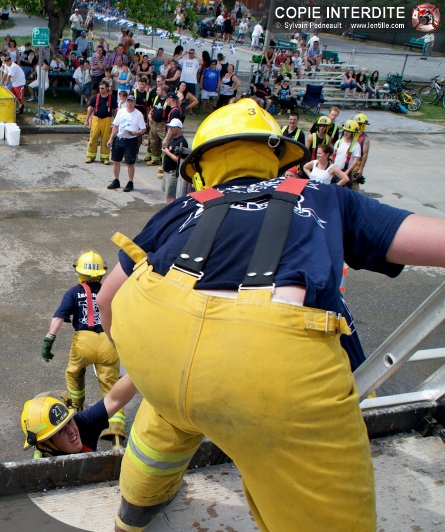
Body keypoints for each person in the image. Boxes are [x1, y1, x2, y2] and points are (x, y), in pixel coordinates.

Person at [96, 97, 445, 531]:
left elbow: (108, 297)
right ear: (277, 157)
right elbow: (430, 240)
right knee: (320, 504)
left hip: (156, 347)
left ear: (201, 166)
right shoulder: (324, 197)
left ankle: (133, 514)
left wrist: (141, 357)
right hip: (270, 368)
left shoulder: (185, 206)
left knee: (167, 413)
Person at [41, 250, 125, 429]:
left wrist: (49, 341)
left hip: (83, 343)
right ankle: (116, 430)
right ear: (102, 273)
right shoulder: (111, 292)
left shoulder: (73, 293)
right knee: (110, 385)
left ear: (79, 272)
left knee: (74, 373)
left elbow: (58, 318)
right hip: (108, 342)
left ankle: (76, 409)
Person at [21, 374, 136, 458]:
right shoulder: (45, 471)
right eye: (61, 431)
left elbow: (114, 399)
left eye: (69, 422)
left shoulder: (82, 423)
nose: (72, 431)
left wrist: (141, 370)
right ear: (48, 444)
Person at [107, 94, 147, 192]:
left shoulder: (138, 114)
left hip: (131, 140)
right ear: (126, 102)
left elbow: (143, 129)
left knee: (130, 163)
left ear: (134, 103)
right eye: (128, 101)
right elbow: (115, 126)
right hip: (119, 138)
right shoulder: (121, 112)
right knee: (116, 161)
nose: (129, 103)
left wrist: (136, 133)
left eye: (131, 101)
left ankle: (130, 182)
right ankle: (116, 180)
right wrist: (111, 139)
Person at [85, 80, 117, 165]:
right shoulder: (95, 97)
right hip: (96, 119)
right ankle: (90, 156)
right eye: (100, 88)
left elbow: (115, 110)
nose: (100, 89)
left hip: (107, 120)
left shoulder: (112, 98)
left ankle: (105, 157)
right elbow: (90, 108)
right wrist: (86, 120)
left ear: (107, 88)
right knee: (93, 138)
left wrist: (116, 122)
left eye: (102, 88)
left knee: (106, 139)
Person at [160, 118, 188, 203]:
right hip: (167, 171)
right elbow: (164, 144)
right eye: (169, 127)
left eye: (172, 127)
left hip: (173, 172)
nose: (170, 129)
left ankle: (171, 210)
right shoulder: (172, 138)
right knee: (166, 192)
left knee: (170, 196)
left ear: (179, 128)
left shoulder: (181, 142)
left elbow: (179, 159)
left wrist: (167, 153)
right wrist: (168, 134)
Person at [332, 119, 362, 187]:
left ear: (353, 133)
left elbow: (355, 161)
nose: (346, 133)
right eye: (345, 131)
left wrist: (347, 172)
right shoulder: (339, 142)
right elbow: (333, 155)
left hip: (345, 172)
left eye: (348, 131)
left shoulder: (356, 145)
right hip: (334, 171)